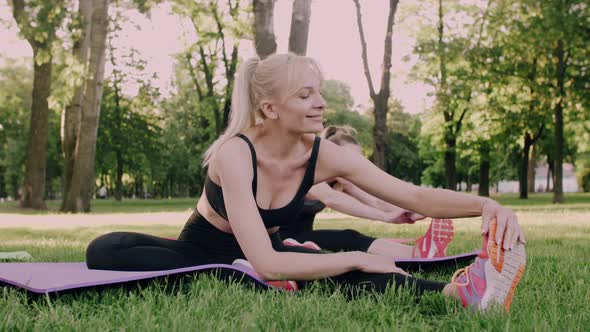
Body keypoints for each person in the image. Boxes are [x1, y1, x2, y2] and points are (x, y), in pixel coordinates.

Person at [86, 53, 526, 312]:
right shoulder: (235, 154)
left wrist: (487, 205)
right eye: (305, 95)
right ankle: (249, 276)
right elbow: (267, 261)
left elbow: (413, 195)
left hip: (269, 254)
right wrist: (351, 258)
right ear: (271, 109)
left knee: (341, 273)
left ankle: (461, 292)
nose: (320, 103)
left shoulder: (323, 154)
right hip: (204, 252)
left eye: (317, 92)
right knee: (104, 249)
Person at [279, 125, 454, 259]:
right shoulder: (308, 170)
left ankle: (421, 252)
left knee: (348, 237)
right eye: (348, 159)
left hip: (302, 236)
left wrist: (411, 210)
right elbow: (333, 199)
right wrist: (385, 217)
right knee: (349, 237)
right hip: (277, 240)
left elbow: (377, 200)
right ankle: (417, 254)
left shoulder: (342, 180)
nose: (352, 164)